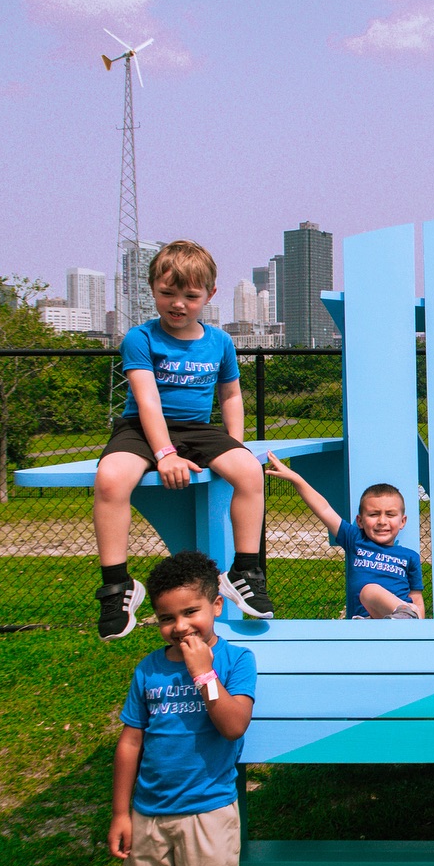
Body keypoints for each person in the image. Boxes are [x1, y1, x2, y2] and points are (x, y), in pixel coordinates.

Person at [92, 240, 270, 640]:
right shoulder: (140, 338)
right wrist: (165, 453)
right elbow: (148, 400)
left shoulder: (220, 342)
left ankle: (244, 571)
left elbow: (231, 395)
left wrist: (233, 445)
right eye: (167, 293)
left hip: (196, 428)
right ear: (152, 288)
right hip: (140, 426)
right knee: (110, 479)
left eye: (190, 296)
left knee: (249, 473)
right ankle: (117, 586)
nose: (178, 304)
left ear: (210, 294)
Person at [108, 550, 256, 866]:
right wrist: (120, 813)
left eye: (191, 612)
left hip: (208, 812)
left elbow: (233, 726)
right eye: (166, 618)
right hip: (149, 815)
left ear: (217, 606)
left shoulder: (237, 661)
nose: (180, 627)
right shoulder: (149, 669)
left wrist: (203, 673)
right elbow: (130, 743)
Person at [264, 453, 424, 620]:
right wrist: (295, 478)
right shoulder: (355, 539)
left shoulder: (410, 557)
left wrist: (421, 630)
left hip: (403, 620)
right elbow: (324, 509)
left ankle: (404, 620)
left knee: (402, 605)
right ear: (360, 521)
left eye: (390, 515)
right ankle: (402, 620)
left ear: (402, 521)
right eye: (374, 514)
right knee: (369, 591)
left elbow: (417, 599)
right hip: (367, 621)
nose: (382, 521)